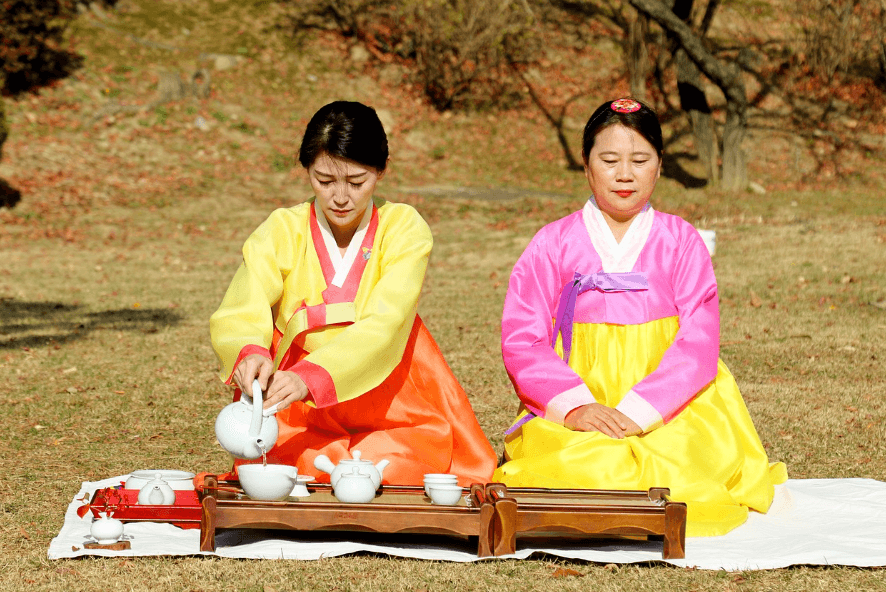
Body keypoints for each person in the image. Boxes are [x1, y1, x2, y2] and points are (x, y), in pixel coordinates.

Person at [493, 97, 787, 536]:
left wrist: (639, 411)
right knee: (577, 464)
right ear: (586, 164)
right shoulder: (553, 243)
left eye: (640, 159)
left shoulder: (680, 240)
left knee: (683, 466)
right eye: (609, 159)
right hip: (581, 396)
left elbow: (698, 341)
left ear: (660, 163)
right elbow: (523, 338)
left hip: (672, 402)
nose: (624, 174)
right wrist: (576, 408)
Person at [210, 101, 496, 486]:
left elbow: (386, 322)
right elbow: (245, 305)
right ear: (306, 169)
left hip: (390, 393)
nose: (340, 197)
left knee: (395, 466)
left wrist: (311, 378)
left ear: (382, 169)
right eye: (324, 181)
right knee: (289, 468)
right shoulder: (282, 229)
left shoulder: (404, 228)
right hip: (296, 403)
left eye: (357, 181)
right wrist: (251, 352)